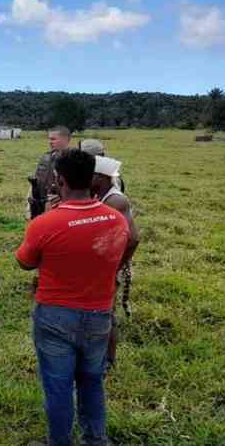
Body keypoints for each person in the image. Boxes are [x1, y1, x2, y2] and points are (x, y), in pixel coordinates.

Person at [15, 149, 133, 446]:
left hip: (55, 314)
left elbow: (25, 262)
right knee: (92, 381)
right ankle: (96, 439)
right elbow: (122, 250)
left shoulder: (45, 223)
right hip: (99, 314)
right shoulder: (116, 219)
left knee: (58, 386)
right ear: (92, 178)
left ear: (60, 179)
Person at [92, 156, 140, 370]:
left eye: (90, 175)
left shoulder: (115, 201)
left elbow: (132, 238)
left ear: (101, 178)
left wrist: (115, 267)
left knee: (106, 312)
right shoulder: (101, 195)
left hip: (113, 265)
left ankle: (109, 360)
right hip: (105, 265)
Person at [28, 126, 72, 217]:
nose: (50, 142)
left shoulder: (75, 159)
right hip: (39, 204)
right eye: (49, 139)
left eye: (53, 139)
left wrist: (62, 197)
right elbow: (37, 180)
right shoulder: (46, 157)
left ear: (65, 139)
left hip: (62, 207)